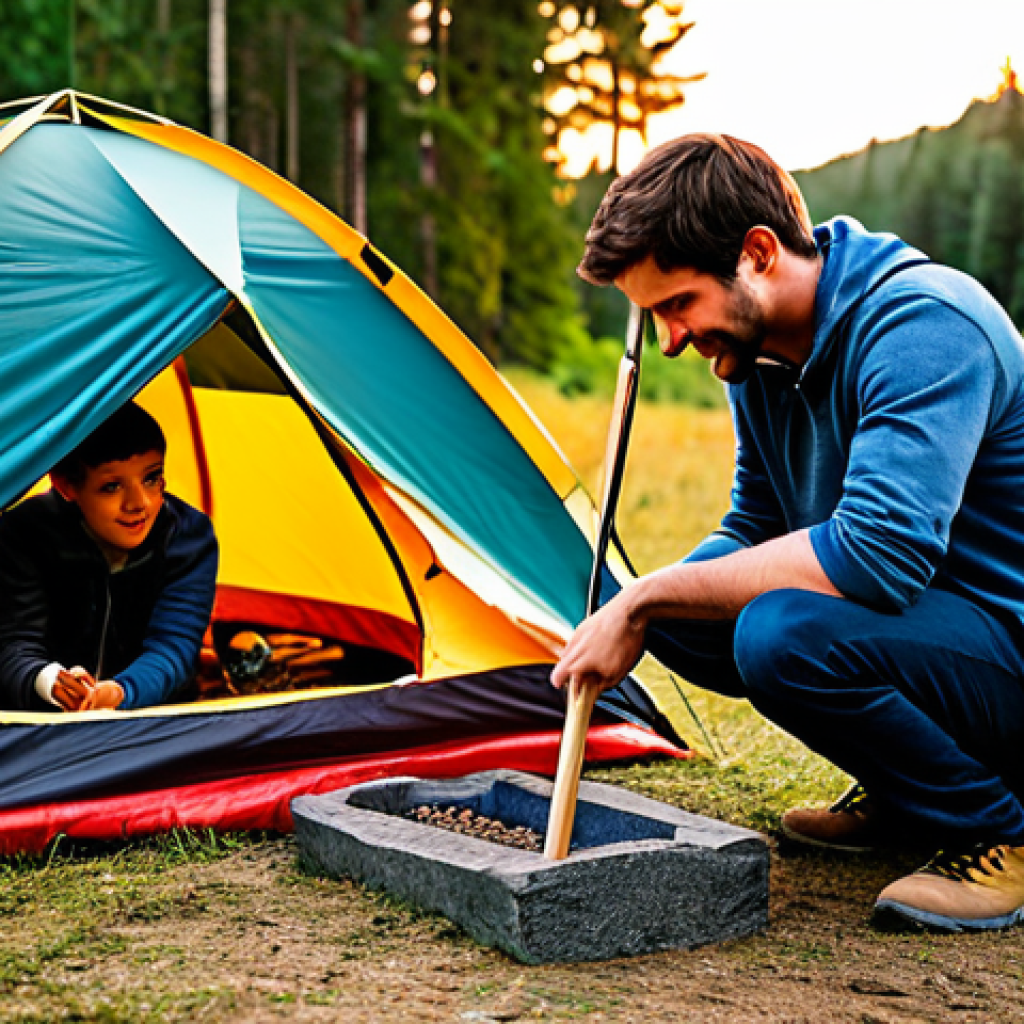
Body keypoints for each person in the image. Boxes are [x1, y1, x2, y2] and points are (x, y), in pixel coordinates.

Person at [552, 133, 1024, 932]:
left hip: (1003, 642)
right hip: (933, 638)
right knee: (646, 603)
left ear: (758, 254)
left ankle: (998, 829)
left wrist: (648, 599)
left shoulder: (924, 327)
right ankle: (910, 795)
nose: (669, 339)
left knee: (778, 634)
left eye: (677, 304)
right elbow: (755, 526)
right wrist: (633, 603)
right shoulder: (760, 354)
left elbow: (879, 558)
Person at [0, 401, 218, 713]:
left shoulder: (186, 535)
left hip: (151, 721)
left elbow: (176, 645)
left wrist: (120, 692)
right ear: (65, 486)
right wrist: (51, 682)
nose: (138, 503)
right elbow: (13, 642)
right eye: (111, 486)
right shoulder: (22, 533)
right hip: (42, 726)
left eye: (151, 478)